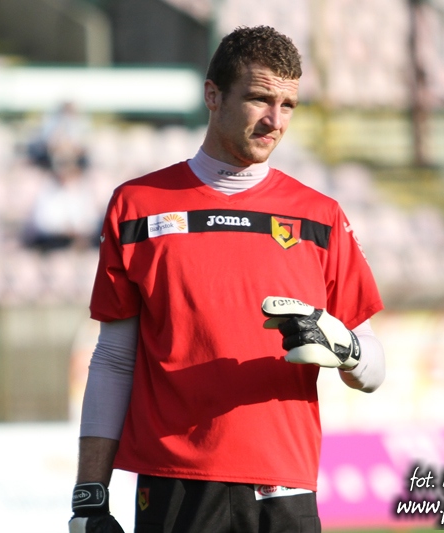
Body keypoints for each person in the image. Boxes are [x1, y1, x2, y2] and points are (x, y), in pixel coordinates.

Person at [70, 26, 386, 533]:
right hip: (175, 485)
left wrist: (346, 348)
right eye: (260, 99)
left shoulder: (320, 218)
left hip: (285, 487)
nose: (275, 121)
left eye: (288, 105)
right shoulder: (137, 206)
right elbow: (113, 359)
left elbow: (372, 370)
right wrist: (89, 496)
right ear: (213, 95)